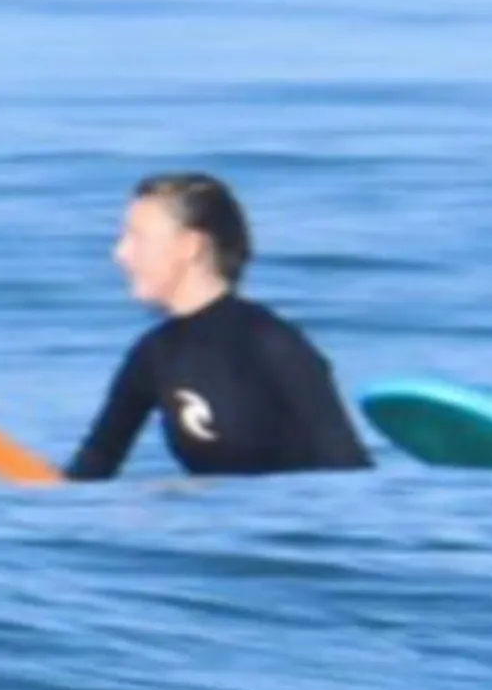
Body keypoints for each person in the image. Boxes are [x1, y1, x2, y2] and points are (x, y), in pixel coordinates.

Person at [64, 174, 370, 481]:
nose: (120, 253)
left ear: (190, 246)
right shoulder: (154, 354)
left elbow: (347, 469)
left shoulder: (271, 343)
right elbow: (93, 469)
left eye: (137, 238)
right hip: (205, 526)